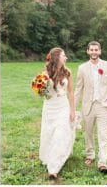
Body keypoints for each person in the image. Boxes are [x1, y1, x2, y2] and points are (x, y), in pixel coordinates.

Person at [74, 41, 107, 174]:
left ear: (100, 51)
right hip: (88, 106)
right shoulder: (82, 68)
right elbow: (78, 89)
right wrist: (73, 108)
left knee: (102, 134)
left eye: (96, 50)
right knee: (88, 133)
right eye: (91, 50)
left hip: (103, 106)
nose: (94, 52)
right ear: (87, 51)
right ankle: (90, 155)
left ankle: (102, 162)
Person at [39, 47, 75, 180]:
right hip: (49, 107)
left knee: (61, 133)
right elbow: (43, 92)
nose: (66, 57)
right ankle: (49, 155)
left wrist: (72, 110)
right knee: (49, 133)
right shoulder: (46, 72)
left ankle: (53, 168)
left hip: (63, 107)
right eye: (63, 55)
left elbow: (70, 92)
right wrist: (41, 90)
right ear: (56, 58)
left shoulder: (68, 72)